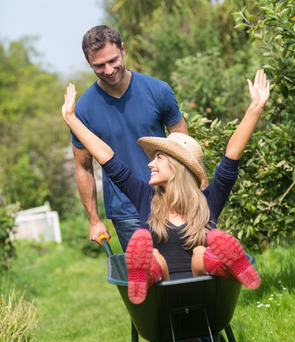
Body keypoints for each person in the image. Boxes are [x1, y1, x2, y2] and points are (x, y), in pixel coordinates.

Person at [62, 69, 270, 304]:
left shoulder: (208, 199)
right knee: (153, 257)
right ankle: (146, 271)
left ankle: (224, 264)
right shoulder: (145, 197)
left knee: (202, 254)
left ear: (177, 165)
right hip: (165, 289)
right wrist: (72, 119)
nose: (150, 163)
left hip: (200, 284)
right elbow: (107, 159)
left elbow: (231, 156)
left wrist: (255, 108)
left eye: (159, 158)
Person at [71, 25, 202, 252]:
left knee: (183, 272)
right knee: (147, 279)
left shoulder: (158, 90)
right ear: (88, 62)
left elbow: (183, 145)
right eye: (99, 66)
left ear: (123, 49)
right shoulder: (83, 110)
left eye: (113, 60)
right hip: (126, 212)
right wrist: (94, 220)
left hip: (171, 201)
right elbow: (83, 168)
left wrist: (198, 195)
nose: (109, 70)